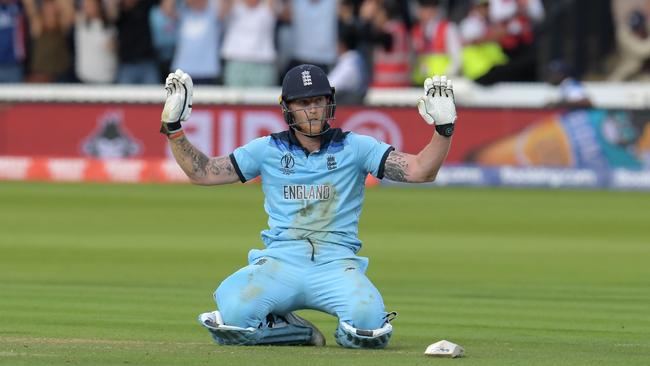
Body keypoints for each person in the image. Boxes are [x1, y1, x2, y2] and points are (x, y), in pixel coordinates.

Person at [159, 64, 457, 348]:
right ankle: (299, 331)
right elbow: (204, 172)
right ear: (287, 107)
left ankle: (325, 327)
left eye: (318, 100)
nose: (312, 109)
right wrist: (173, 128)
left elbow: (420, 170)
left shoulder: (356, 147)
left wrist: (443, 130)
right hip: (280, 262)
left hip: (335, 265)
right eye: (303, 103)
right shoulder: (267, 149)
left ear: (330, 102)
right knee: (233, 319)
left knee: (370, 331)